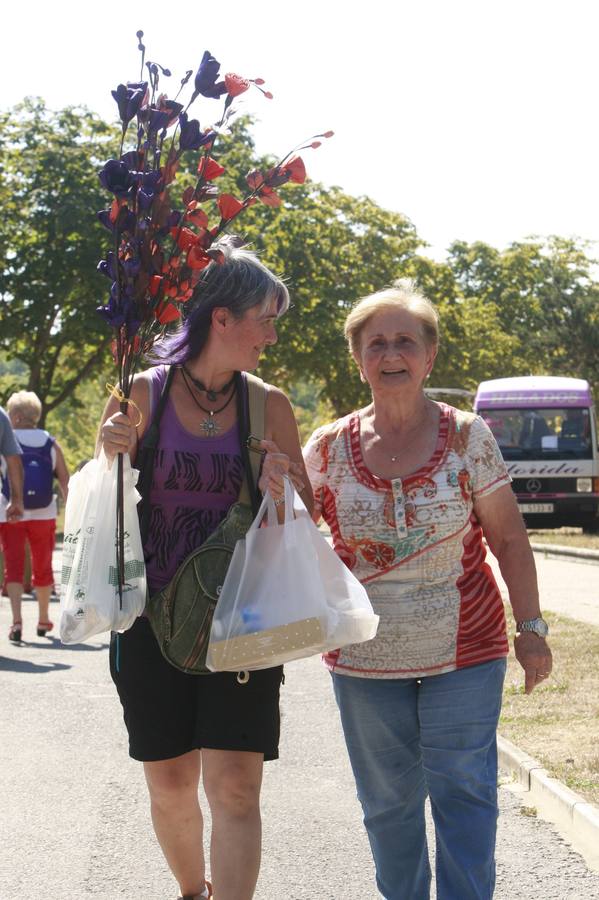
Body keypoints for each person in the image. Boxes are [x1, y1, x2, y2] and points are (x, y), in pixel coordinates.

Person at [303, 278, 553, 900]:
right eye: (377, 343)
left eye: (406, 342)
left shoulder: (469, 436)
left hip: (465, 651)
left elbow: (509, 539)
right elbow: (288, 537)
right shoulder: (327, 448)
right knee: (387, 804)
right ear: (358, 357)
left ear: (429, 356)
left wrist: (531, 630)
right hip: (364, 659)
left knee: (464, 794)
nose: (392, 355)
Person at [98, 243, 312, 900]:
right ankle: (193, 890)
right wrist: (107, 453)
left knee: (237, 788)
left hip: (242, 617)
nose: (271, 336)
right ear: (222, 318)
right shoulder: (142, 393)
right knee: (169, 785)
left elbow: (304, 514)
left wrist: (282, 488)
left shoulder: (269, 404)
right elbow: (103, 503)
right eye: (265, 320)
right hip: (146, 620)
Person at [1, 391, 69, 643]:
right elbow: (64, 479)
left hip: (10, 512)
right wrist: (71, 511)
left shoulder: (6, 439)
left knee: (13, 565)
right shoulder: (50, 442)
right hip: (44, 512)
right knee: (43, 563)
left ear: (17, 416)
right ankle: (43, 618)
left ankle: (17, 621)